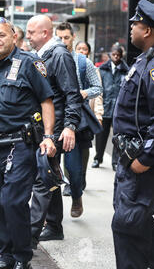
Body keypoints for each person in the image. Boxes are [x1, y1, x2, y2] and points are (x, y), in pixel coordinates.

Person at [0, 17, 56, 269]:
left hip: (21, 145)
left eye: (1, 35)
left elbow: (46, 101)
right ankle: (6, 258)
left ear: (13, 35)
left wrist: (48, 136)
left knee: (12, 201)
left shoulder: (30, 63)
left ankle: (23, 259)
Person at [111, 0, 154, 269]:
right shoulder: (146, 59)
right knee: (135, 223)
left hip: (142, 165)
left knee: (127, 225)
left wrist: (146, 158)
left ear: (149, 30)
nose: (131, 27)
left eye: (136, 23)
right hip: (129, 160)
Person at [26, 15, 83, 247]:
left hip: (56, 128)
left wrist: (70, 126)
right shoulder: (43, 55)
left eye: (31, 32)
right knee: (48, 173)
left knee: (42, 176)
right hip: (46, 126)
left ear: (45, 33)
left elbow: (71, 93)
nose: (27, 36)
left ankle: (28, 236)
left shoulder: (59, 54)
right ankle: (54, 225)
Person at [55, 22, 102, 200]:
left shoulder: (83, 62)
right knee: (48, 167)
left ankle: (76, 193)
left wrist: (83, 93)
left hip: (76, 120)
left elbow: (98, 88)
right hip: (54, 117)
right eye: (59, 37)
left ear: (73, 37)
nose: (62, 41)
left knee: (74, 166)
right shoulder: (49, 58)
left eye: (66, 37)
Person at [92, 45, 129, 171]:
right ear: (110, 54)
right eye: (114, 54)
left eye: (118, 54)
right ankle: (98, 158)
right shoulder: (102, 69)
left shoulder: (127, 70)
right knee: (101, 135)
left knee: (117, 136)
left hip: (119, 109)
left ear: (121, 55)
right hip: (105, 106)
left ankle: (115, 161)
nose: (116, 57)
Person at [75, 41, 105, 190]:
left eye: (84, 49)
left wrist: (98, 115)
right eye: (79, 48)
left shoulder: (91, 67)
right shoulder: (69, 65)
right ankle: (72, 182)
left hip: (87, 115)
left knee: (84, 146)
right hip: (71, 114)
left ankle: (81, 178)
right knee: (69, 148)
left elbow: (98, 95)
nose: (82, 51)